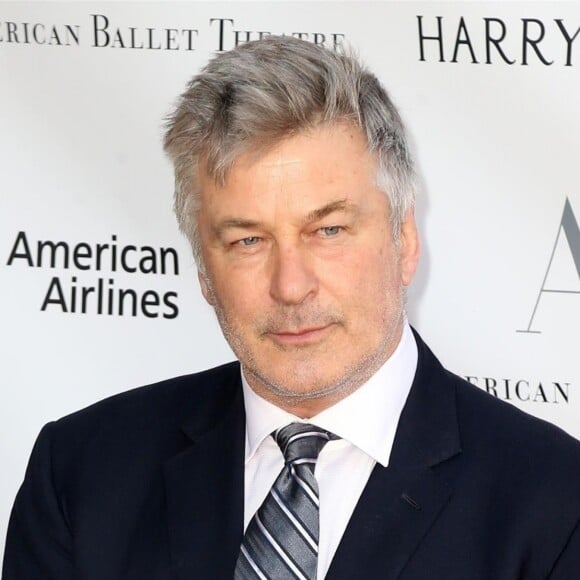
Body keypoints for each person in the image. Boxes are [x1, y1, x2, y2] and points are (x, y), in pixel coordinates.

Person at [3, 36, 580, 580]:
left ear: (404, 240)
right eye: (247, 241)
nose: (291, 286)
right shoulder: (81, 475)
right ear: (204, 269)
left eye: (328, 229)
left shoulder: (554, 503)